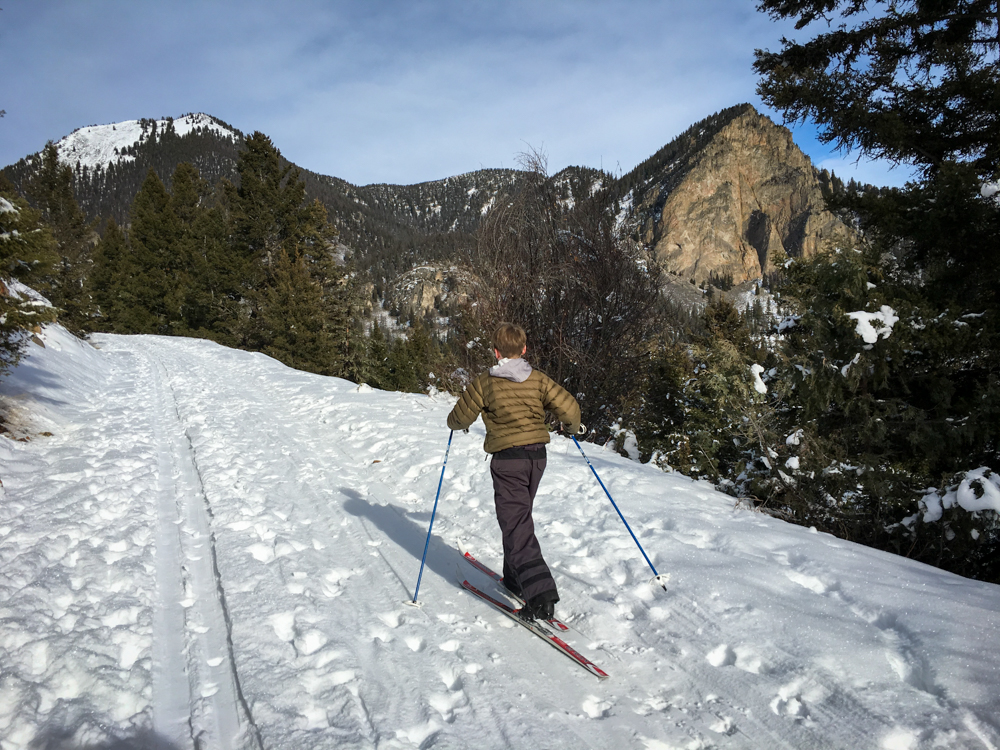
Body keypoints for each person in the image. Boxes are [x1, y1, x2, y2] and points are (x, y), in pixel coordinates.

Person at [447, 322, 583, 620]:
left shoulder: (485, 382)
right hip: (537, 458)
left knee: (516, 523)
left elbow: (458, 417)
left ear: (496, 352)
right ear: (524, 349)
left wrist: (456, 424)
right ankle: (515, 578)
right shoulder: (537, 379)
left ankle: (541, 595)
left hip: (508, 461)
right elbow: (570, 408)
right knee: (518, 518)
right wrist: (572, 428)